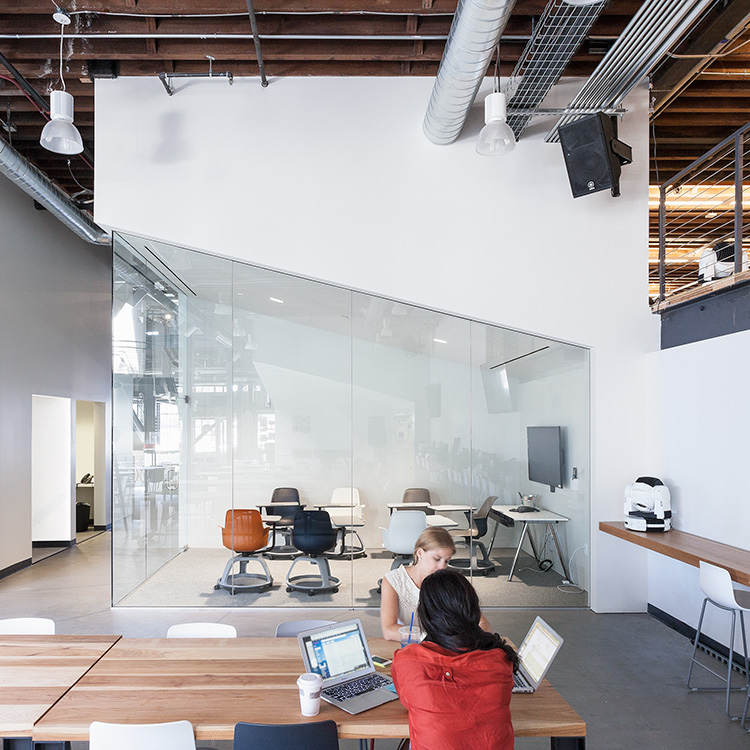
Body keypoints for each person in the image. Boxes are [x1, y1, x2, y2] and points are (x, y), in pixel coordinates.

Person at [390, 569, 518, 750]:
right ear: (474, 609)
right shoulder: (501, 659)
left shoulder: (406, 660)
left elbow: (406, 701)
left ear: (426, 615)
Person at [380, 527, 490, 642]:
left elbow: (483, 623)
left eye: (447, 561)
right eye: (437, 559)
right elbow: (389, 631)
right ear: (420, 553)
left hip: (445, 649)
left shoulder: (450, 582)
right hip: (412, 648)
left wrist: (479, 640)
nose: (442, 567)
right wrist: (432, 639)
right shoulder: (394, 580)